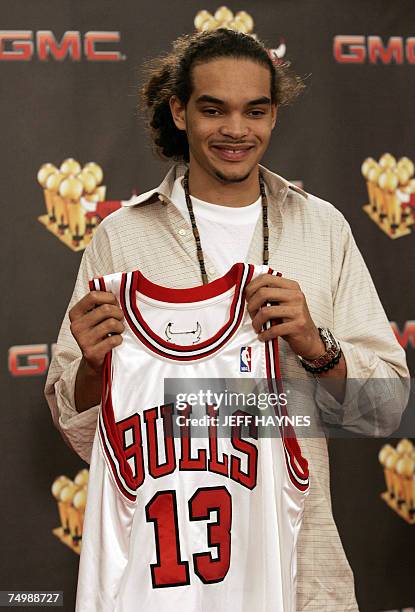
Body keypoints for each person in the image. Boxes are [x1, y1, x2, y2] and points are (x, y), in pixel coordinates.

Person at [45, 28, 409, 611]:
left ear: (273, 116)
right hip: (166, 577)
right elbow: (84, 431)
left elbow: (386, 408)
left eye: (255, 111)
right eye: (213, 109)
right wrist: (93, 369)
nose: (236, 130)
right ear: (179, 112)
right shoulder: (122, 236)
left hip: (303, 574)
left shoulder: (323, 228)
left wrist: (318, 346)